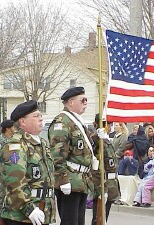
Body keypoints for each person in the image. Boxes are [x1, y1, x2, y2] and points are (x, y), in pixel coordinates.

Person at [0, 100, 56, 225]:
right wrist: (29, 209)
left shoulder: (42, 143)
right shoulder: (16, 145)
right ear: (22, 121)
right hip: (21, 215)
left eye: (40, 115)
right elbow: (14, 182)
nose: (41, 119)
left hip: (41, 211)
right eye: (36, 116)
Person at [48, 87, 96, 225]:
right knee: (70, 222)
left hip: (81, 181)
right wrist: (63, 180)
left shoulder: (77, 121)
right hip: (70, 180)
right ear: (70, 102)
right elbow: (57, 155)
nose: (85, 103)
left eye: (86, 100)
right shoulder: (62, 122)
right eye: (82, 100)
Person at [90, 114, 120, 225]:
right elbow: (94, 161)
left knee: (104, 217)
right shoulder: (94, 139)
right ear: (96, 124)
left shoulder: (107, 138)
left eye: (109, 124)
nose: (108, 126)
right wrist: (99, 139)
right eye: (105, 124)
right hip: (101, 182)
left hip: (111, 182)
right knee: (98, 218)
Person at [0, 119, 15, 225]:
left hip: (10, 176)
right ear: (8, 128)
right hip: (2, 178)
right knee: (1, 201)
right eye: (13, 127)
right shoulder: (0, 141)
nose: (15, 129)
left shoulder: (12, 140)